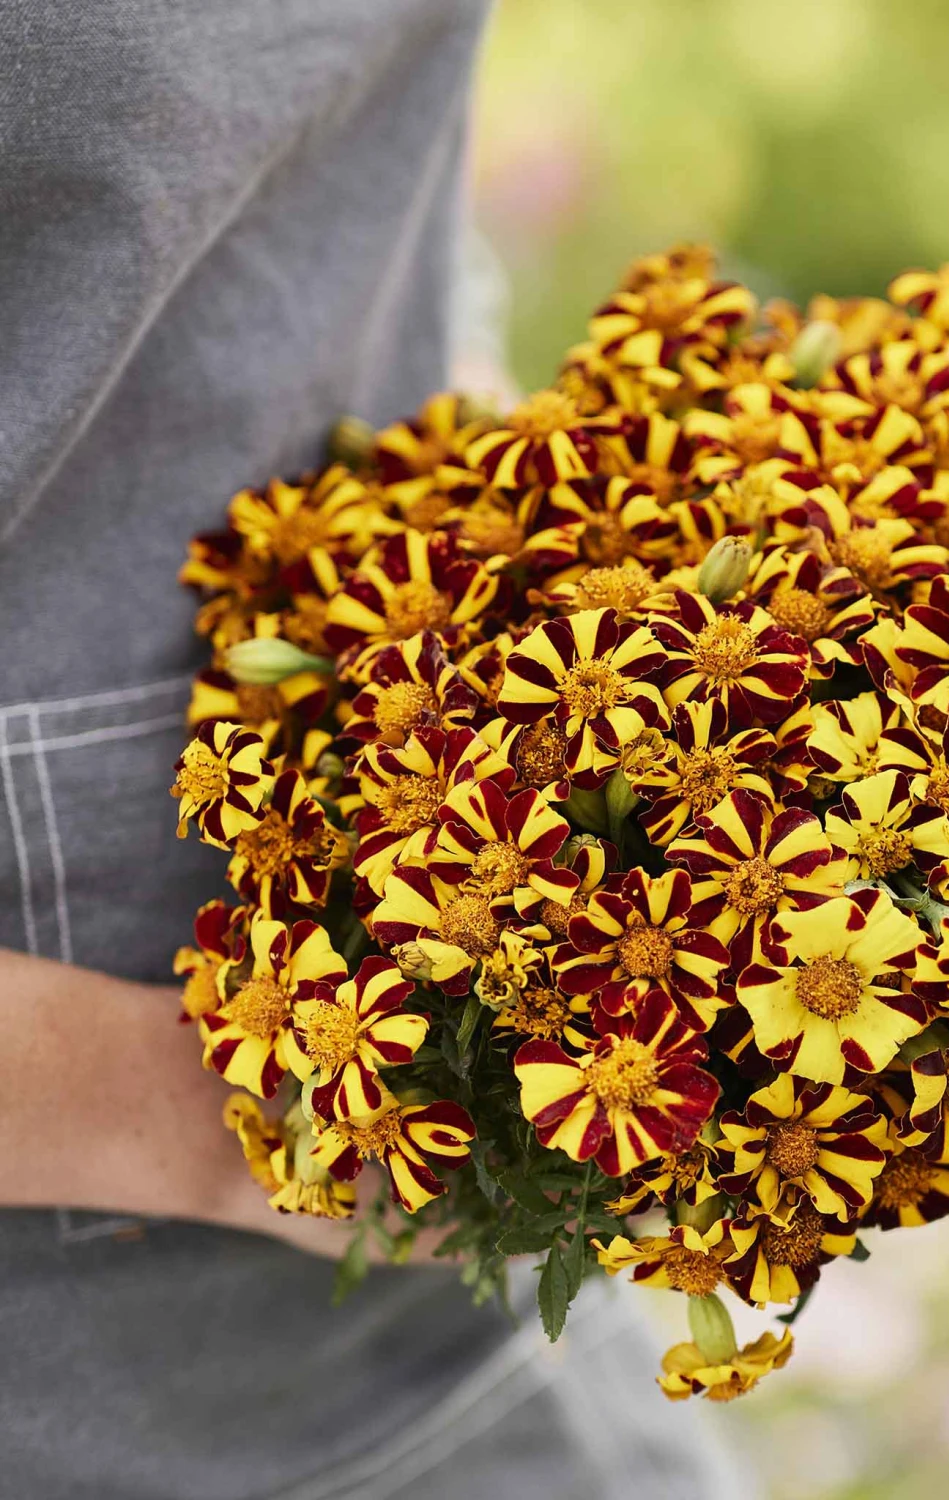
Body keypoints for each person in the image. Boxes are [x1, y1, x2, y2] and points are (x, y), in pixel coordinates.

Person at [0, 5, 748, 1496]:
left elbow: (323, 174)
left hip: (468, 1303)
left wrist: (504, 492)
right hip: (91, 1373)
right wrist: (248, 1123)